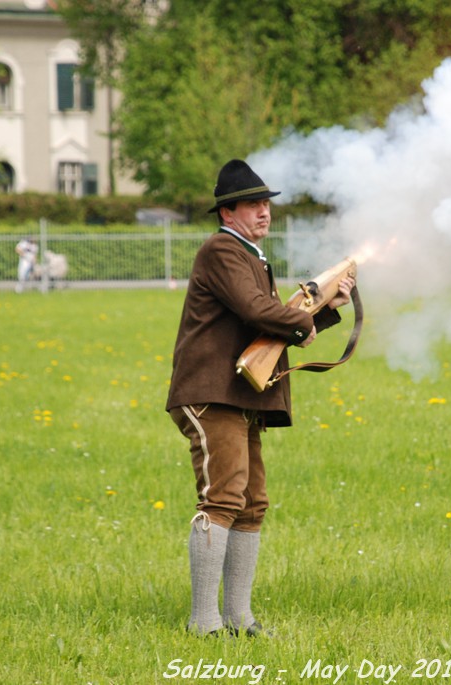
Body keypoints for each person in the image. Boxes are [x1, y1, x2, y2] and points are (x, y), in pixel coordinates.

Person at [166, 159, 355, 637]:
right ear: (227, 213)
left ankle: (239, 619)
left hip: (236, 394)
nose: (264, 212)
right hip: (211, 392)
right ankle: (204, 623)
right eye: (252, 204)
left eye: (265, 204)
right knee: (223, 498)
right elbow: (257, 310)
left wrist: (325, 308)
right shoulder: (222, 249)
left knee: (251, 503)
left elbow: (267, 329)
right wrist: (305, 316)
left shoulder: (248, 255)